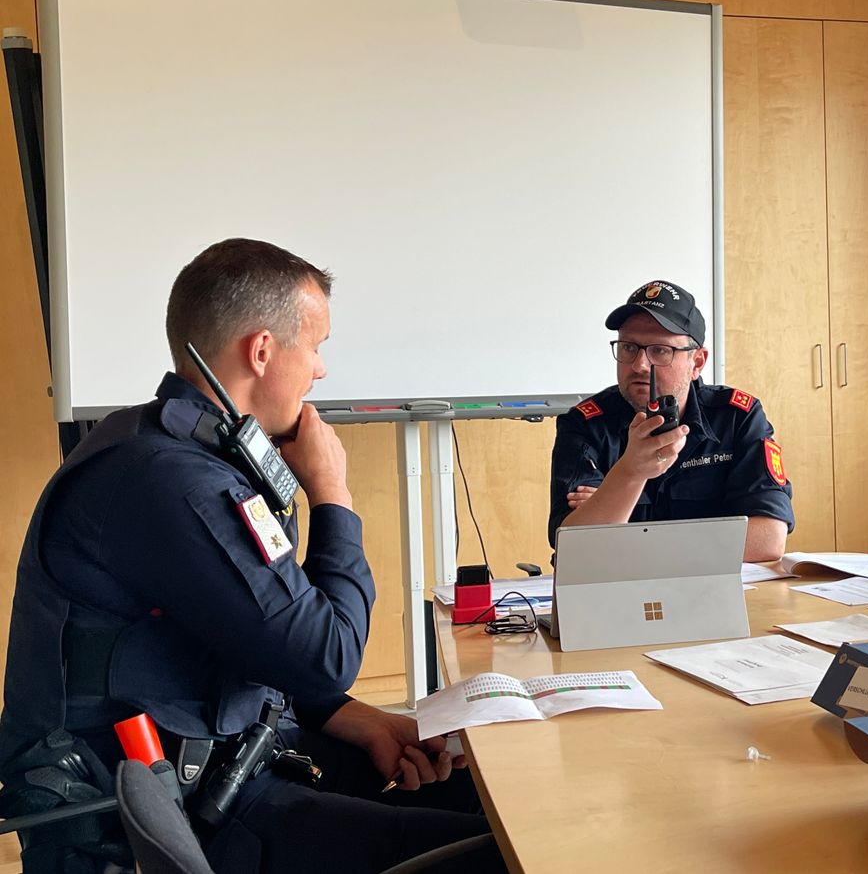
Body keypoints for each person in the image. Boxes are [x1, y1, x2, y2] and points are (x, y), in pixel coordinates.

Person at [0, 239, 504, 874]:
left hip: (233, 764)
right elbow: (328, 655)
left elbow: (258, 639)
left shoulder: (175, 452)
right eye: (316, 346)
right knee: (501, 849)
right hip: (179, 816)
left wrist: (353, 719)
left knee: (489, 798)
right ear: (262, 351)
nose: (319, 370)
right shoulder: (170, 481)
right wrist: (332, 493)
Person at [548, 280, 794, 562]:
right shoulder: (584, 424)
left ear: (697, 363)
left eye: (660, 351)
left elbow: (768, 539)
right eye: (629, 347)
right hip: (617, 595)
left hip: (713, 594)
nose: (640, 365)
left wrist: (615, 523)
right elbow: (576, 551)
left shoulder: (737, 417)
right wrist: (630, 473)